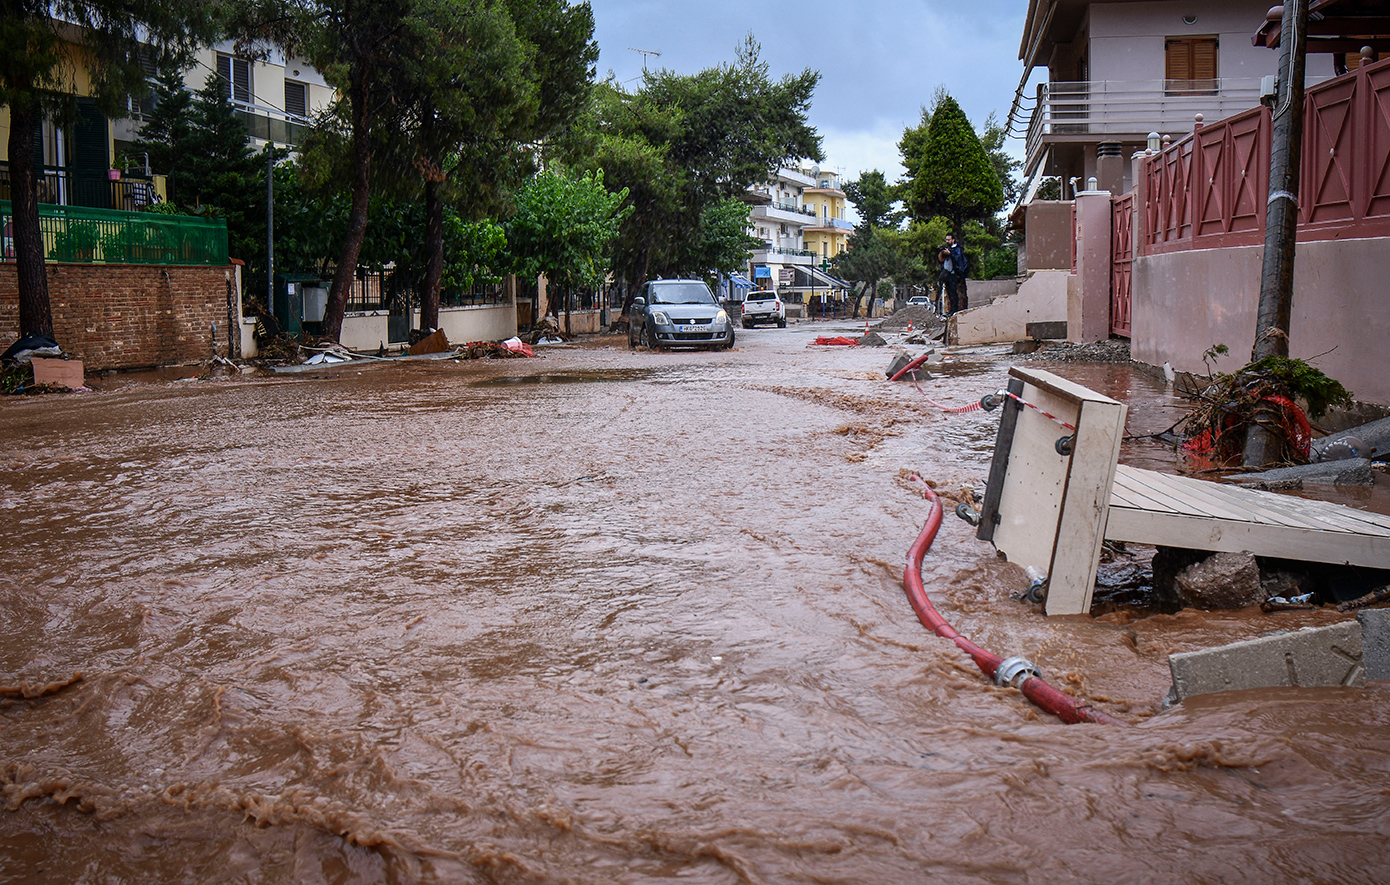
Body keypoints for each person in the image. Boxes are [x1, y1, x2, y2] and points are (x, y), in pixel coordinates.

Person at [938, 234, 968, 315]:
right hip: (947, 273)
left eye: (949, 240)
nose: (947, 241)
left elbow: (958, 260)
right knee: (949, 293)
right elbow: (941, 260)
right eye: (946, 240)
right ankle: (951, 310)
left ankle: (954, 310)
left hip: (953, 274)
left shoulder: (957, 249)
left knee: (953, 293)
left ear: (953, 240)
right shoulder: (949, 249)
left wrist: (950, 254)